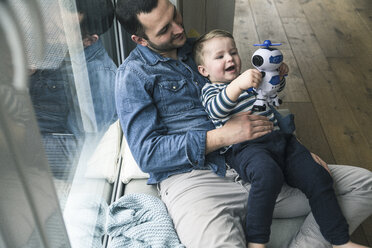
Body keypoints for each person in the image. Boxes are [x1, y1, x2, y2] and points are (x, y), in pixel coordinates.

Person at [114, 0, 372, 247]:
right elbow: (149, 155)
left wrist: (294, 148)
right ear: (140, 40)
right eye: (165, 29)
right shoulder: (133, 76)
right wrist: (224, 136)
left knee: (363, 185)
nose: (179, 29)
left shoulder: (205, 49)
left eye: (174, 15)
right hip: (196, 180)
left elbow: (256, 100)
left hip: (262, 159)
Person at [193, 29, 366, 248]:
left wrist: (279, 76)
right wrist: (237, 86)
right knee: (268, 175)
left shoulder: (248, 80)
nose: (230, 58)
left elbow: (272, 92)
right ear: (204, 70)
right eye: (220, 56)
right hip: (246, 148)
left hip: (280, 141)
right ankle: (256, 241)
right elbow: (217, 110)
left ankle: (341, 241)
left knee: (318, 176)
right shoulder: (210, 90)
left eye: (233, 52)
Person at [29, 0, 117, 179]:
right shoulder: (43, 46)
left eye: (60, 32)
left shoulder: (98, 76)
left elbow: (76, 153)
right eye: (49, 20)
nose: (46, 31)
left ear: (88, 40)